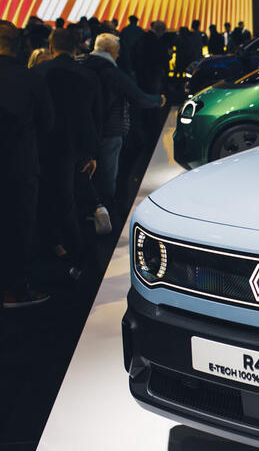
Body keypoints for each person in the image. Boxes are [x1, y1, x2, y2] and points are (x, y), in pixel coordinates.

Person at [32, 28, 107, 279]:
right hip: (78, 151)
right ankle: (81, 259)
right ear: (76, 48)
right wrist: (93, 153)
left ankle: (58, 249)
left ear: (51, 48)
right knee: (74, 203)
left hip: (44, 150)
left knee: (48, 201)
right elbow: (95, 118)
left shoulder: (37, 74)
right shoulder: (88, 76)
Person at [0, 20, 55, 307]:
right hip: (19, 168)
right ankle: (16, 290)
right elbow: (48, 124)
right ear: (20, 44)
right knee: (19, 229)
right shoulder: (29, 77)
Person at [82, 33, 165, 211]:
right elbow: (138, 97)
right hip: (111, 130)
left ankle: (89, 209)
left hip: (86, 129)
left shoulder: (83, 66)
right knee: (107, 175)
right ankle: (105, 212)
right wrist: (159, 100)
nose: (118, 55)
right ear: (111, 51)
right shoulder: (112, 72)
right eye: (117, 51)